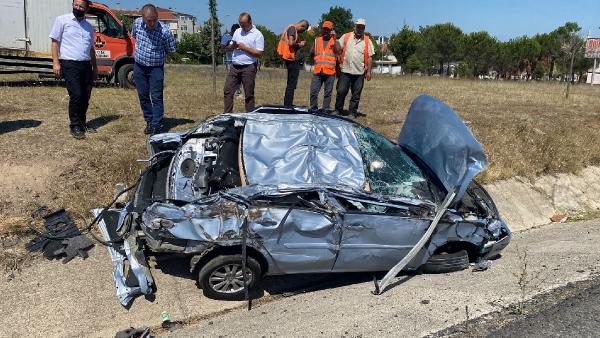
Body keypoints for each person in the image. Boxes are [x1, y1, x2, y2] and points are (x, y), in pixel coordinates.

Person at [49, 0, 98, 139]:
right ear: (72, 5)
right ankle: (75, 125)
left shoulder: (89, 26)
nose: (78, 8)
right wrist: (56, 62)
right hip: (70, 64)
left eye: (81, 6)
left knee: (85, 95)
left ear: (86, 8)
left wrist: (95, 67)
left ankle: (82, 123)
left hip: (86, 64)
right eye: (76, 5)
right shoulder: (62, 20)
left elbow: (91, 49)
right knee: (76, 94)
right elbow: (54, 43)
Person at [131, 3, 176, 135]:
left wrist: (158, 57)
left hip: (156, 68)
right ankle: (149, 121)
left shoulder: (165, 31)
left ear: (157, 16)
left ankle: (157, 124)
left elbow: (171, 50)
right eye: (148, 21)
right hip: (139, 66)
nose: (151, 23)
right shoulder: (137, 24)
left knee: (156, 97)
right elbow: (134, 37)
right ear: (143, 18)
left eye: (154, 20)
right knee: (143, 95)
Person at [223, 12, 264, 113]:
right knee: (227, 90)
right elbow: (232, 45)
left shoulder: (257, 34)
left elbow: (259, 53)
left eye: (244, 24)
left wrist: (245, 48)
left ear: (250, 22)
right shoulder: (237, 31)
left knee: (249, 94)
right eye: (240, 24)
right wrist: (231, 47)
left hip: (249, 67)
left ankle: (249, 117)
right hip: (235, 66)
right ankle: (227, 115)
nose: (242, 26)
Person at [334, 18, 375, 117]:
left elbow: (370, 57)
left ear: (364, 28)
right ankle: (338, 109)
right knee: (341, 91)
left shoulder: (367, 40)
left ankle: (352, 112)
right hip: (345, 70)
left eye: (362, 27)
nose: (360, 29)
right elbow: (338, 49)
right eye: (358, 27)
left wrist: (369, 71)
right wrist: (335, 40)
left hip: (359, 72)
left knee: (356, 94)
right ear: (354, 27)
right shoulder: (346, 36)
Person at [308, 21, 340, 113]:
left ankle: (325, 110)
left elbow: (339, 52)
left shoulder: (334, 41)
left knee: (328, 93)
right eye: (324, 29)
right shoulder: (317, 40)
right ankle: (314, 108)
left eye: (328, 29)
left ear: (331, 30)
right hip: (318, 71)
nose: (326, 31)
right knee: (313, 92)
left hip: (330, 71)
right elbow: (311, 53)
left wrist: (335, 38)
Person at [277, 19, 309, 107]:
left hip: (290, 59)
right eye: (304, 30)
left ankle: (288, 103)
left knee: (291, 83)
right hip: (292, 60)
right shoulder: (292, 29)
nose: (303, 32)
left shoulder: (290, 28)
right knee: (291, 83)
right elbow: (291, 43)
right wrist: (300, 44)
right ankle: (288, 104)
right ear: (302, 26)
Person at [220, 24, 242, 97]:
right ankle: (231, 92)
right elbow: (222, 49)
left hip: (239, 60)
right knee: (232, 77)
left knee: (240, 77)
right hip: (230, 61)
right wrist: (230, 47)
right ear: (232, 31)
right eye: (236, 32)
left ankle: (238, 92)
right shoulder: (226, 37)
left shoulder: (240, 36)